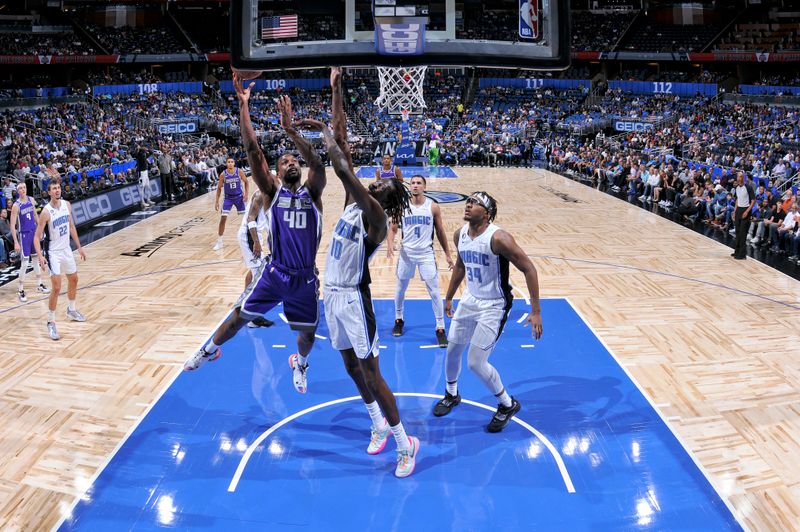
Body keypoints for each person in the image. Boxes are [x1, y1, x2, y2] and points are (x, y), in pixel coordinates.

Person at [298, 67, 419, 478]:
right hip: (330, 294)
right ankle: (377, 422)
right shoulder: (356, 201)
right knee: (350, 366)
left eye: (386, 184)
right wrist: (336, 89)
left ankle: (405, 445)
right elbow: (344, 142)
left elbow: (343, 164)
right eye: (380, 180)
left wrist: (326, 140)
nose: (381, 181)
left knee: (372, 371)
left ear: (388, 199)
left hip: (353, 297)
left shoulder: (376, 217)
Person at [184, 75, 325, 399]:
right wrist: (244, 105)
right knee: (239, 317)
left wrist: (292, 132)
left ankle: (300, 363)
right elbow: (252, 149)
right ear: (276, 172)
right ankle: (208, 349)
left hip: (304, 278)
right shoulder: (271, 193)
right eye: (284, 161)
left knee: (307, 334)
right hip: (275, 273)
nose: (290, 162)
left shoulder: (313, 194)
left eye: (294, 160)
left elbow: (317, 161)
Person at [432, 191, 543, 433]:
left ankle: (507, 404)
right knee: (452, 351)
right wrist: (449, 297)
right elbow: (461, 266)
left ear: (488, 213)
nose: (469, 205)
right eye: (468, 201)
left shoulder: (499, 238)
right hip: (470, 299)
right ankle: (451, 394)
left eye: (476, 203)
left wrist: (536, 311)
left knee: (475, 362)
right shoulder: (459, 234)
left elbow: (529, 269)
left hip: (494, 304)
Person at [387, 175, 454, 346]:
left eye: (419, 183)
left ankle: (440, 327)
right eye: (413, 183)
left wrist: (447, 253)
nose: (415, 185)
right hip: (406, 254)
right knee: (400, 288)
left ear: (424, 186)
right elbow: (393, 228)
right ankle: (399, 319)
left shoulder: (433, 207)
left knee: (434, 291)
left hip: (426, 254)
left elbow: (440, 231)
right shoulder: (401, 206)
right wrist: (390, 243)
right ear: (410, 186)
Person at [33, 180, 87, 341]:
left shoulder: (67, 205)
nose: (57, 190)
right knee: (56, 287)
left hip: (66, 249)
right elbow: (37, 238)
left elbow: (71, 227)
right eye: (53, 189)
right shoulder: (46, 212)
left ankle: (71, 310)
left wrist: (79, 246)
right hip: (53, 253)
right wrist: (41, 257)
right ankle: (50, 321)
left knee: (74, 279)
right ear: (49, 192)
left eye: (58, 188)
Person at [238, 189, 273, 329]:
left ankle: (243, 303)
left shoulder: (272, 196)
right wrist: (256, 243)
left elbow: (269, 224)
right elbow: (250, 219)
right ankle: (252, 317)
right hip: (250, 237)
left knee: (253, 272)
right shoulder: (260, 195)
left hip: (256, 237)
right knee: (260, 275)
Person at [10, 182, 50, 302]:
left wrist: (40, 229)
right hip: (24, 235)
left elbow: (35, 216)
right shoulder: (16, 206)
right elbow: (12, 225)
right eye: (20, 188)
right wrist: (16, 242)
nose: (23, 189)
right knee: (25, 263)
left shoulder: (31, 200)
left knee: (36, 259)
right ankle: (21, 290)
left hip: (33, 233)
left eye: (24, 187)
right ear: (17, 191)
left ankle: (39, 284)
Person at [213, 157, 250, 251]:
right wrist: (217, 201)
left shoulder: (239, 171)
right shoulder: (223, 174)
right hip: (228, 198)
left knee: (246, 219)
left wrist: (246, 194)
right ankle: (220, 241)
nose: (230, 163)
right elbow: (219, 188)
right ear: (226, 164)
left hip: (239, 198)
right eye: (228, 162)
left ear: (234, 163)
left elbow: (246, 182)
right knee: (223, 218)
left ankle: (249, 239)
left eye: (232, 162)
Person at [731, 171, 756, 260]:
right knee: (737, 231)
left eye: (741, 176)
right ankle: (737, 251)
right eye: (738, 176)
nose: (739, 178)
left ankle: (742, 254)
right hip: (738, 210)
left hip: (746, 209)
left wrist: (747, 211)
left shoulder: (748, 187)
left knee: (742, 232)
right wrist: (734, 211)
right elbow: (738, 199)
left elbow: (753, 200)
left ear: (743, 178)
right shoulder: (737, 188)